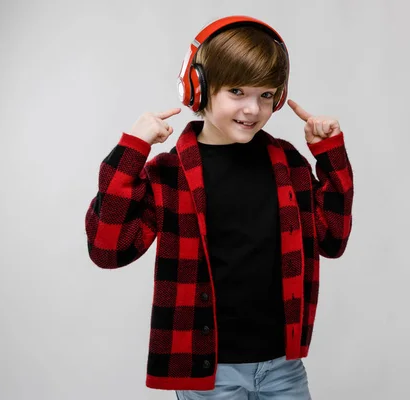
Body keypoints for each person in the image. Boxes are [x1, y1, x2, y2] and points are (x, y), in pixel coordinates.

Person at [84, 15, 354, 399]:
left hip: (283, 368)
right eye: (237, 92)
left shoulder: (289, 162)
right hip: (210, 375)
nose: (253, 109)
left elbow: (333, 238)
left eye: (265, 95)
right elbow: (107, 249)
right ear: (199, 88)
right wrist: (132, 150)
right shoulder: (169, 173)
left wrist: (329, 155)